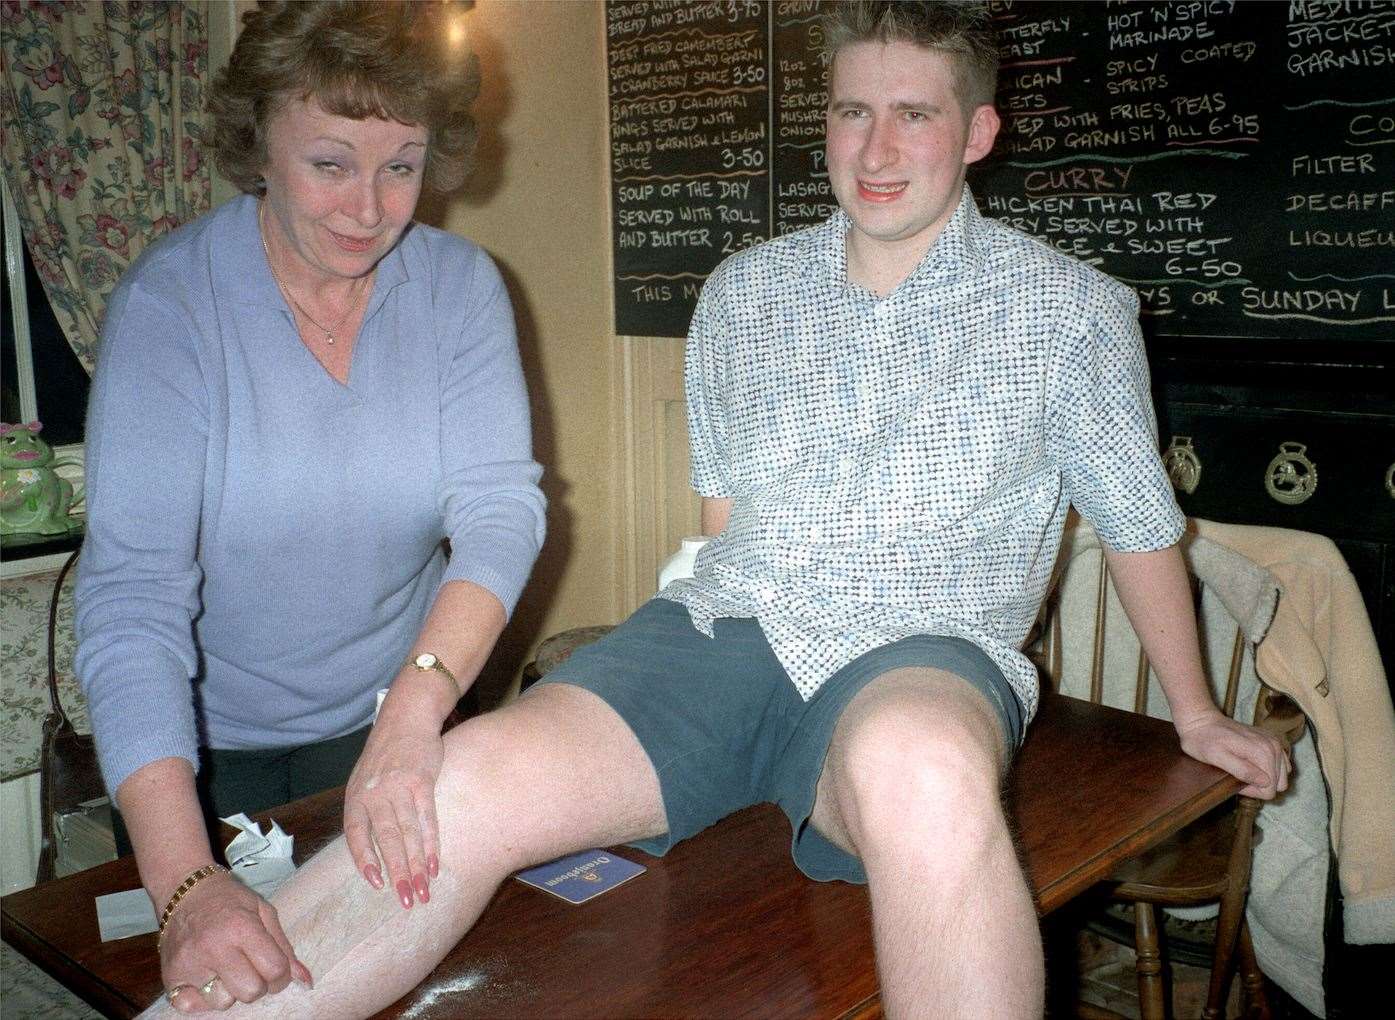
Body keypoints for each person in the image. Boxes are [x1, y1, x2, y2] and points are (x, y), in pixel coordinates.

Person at [135, 3, 1289, 1017]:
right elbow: (721, 530)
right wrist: (648, 673)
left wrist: (1192, 710)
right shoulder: (743, 291)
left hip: (922, 648)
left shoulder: (1073, 311)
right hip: (724, 632)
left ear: (978, 132)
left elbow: (1140, 524)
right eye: (850, 113)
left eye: (915, 115)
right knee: (459, 778)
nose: (876, 150)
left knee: (923, 775)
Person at [75, 1, 544, 1013]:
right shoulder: (172, 309)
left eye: (401, 166)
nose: (369, 208)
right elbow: (132, 602)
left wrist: (417, 711)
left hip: (388, 719)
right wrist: (189, 884)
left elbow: (500, 514)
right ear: (259, 144)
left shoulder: (461, 289)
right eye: (331, 163)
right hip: (199, 753)